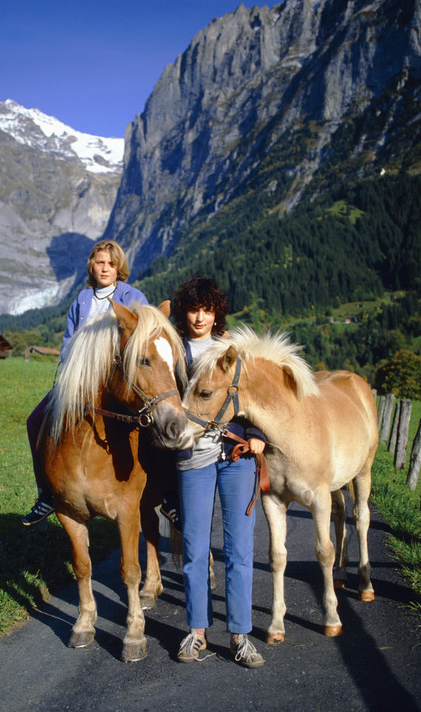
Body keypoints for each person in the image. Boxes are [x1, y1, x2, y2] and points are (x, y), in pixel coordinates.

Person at [170, 276, 266, 668]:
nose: (199, 317)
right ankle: (197, 633)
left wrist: (257, 435)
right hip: (191, 455)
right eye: (194, 309)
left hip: (235, 455)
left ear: (216, 313)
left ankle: (240, 636)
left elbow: (254, 398)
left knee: (239, 549)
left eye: (207, 310)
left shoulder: (232, 350)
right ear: (184, 311)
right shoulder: (172, 350)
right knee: (194, 547)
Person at [21, 240, 148, 525]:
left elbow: (145, 338)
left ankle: (164, 491)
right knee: (35, 421)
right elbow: (68, 344)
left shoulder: (133, 296)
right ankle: (46, 493)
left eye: (111, 264)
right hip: (81, 381)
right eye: (100, 262)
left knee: (152, 421)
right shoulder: (81, 300)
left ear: (119, 268)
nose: (105, 268)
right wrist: (76, 367)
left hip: (120, 382)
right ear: (92, 265)